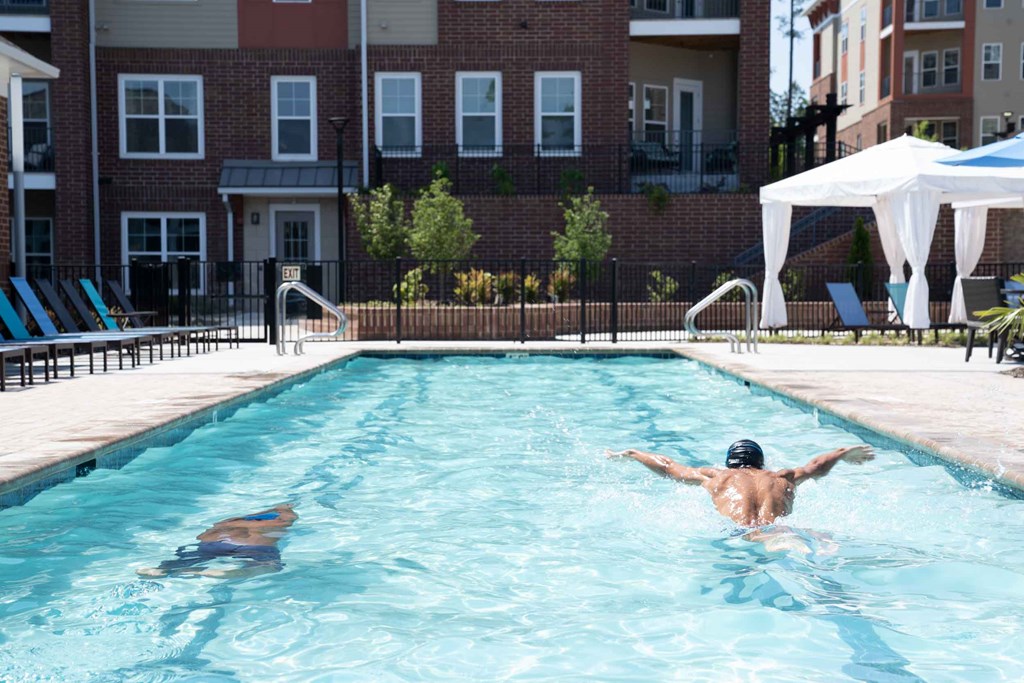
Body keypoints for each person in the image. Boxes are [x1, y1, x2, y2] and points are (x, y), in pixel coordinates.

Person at [607, 439, 874, 530]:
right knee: (783, 538)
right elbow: (815, 467)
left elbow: (668, 467)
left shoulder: (716, 476)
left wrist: (633, 454)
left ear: (729, 462)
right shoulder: (781, 476)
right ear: (761, 462)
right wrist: (840, 453)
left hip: (734, 534)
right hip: (776, 530)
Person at [137, 504, 297, 579]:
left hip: (216, 543)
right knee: (270, 568)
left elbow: (214, 527)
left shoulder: (234, 520)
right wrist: (284, 509)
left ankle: (161, 570)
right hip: (255, 546)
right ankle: (230, 573)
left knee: (189, 557)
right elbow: (285, 521)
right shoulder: (282, 518)